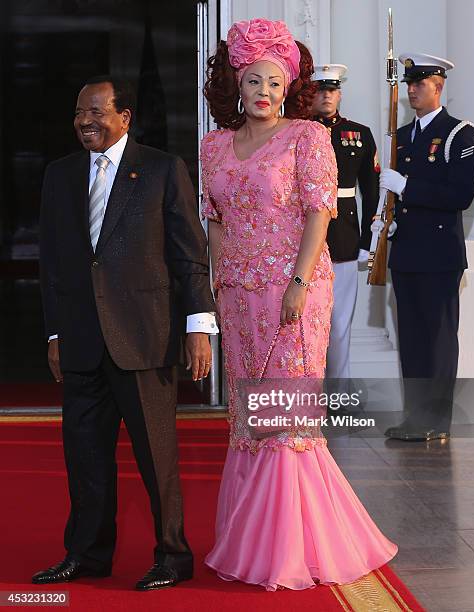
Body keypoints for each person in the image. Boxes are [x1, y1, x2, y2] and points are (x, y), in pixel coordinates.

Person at [201, 19, 397, 591]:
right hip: (237, 297)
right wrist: (218, 276)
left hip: (292, 294)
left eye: (274, 82)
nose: (263, 91)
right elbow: (213, 217)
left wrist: (300, 283)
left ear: (289, 88)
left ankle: (290, 548)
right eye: (253, 80)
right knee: (250, 419)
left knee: (285, 419)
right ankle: (248, 537)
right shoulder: (214, 145)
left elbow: (320, 213)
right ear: (235, 85)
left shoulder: (307, 138)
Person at [35, 75, 217, 590]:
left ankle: (173, 558)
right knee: (85, 458)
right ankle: (87, 555)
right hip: (81, 342)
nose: (84, 122)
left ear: (124, 117)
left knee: (157, 460)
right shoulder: (59, 175)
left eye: (95, 112)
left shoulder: (161, 169)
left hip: (144, 338)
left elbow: (188, 254)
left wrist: (199, 326)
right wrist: (54, 335)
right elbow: (52, 264)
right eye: (78, 113)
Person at [380, 54, 474, 441]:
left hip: (439, 254)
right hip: (405, 251)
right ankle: (415, 417)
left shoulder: (459, 134)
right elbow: (395, 200)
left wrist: (407, 187)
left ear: (438, 87)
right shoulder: (401, 137)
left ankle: (437, 421)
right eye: (408, 84)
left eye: (419, 84)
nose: (411, 90)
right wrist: (383, 220)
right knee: (413, 340)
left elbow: (460, 195)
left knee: (438, 339)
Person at [311, 65, 380, 380]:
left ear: (340, 93)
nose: (326, 95)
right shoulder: (293, 131)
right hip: (302, 239)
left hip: (344, 237)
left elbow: (372, 190)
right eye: (320, 89)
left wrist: (367, 240)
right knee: (305, 322)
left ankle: (339, 389)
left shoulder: (359, 134)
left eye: (332, 89)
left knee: (340, 323)